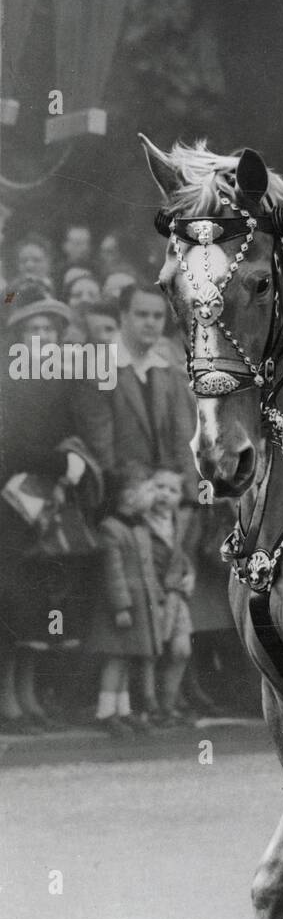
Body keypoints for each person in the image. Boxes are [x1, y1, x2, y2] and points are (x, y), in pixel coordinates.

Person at [0, 298, 100, 732]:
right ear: (20, 338)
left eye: (50, 331)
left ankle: (34, 696)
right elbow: (10, 449)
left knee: (44, 607)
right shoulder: (8, 384)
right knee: (14, 607)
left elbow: (76, 433)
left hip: (51, 505)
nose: (42, 338)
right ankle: (11, 701)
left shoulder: (63, 384)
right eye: (33, 330)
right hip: (11, 507)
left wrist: (72, 461)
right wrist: (61, 465)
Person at [74, 284, 197, 495]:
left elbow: (184, 441)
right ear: (123, 316)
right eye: (142, 314)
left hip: (173, 495)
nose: (151, 322)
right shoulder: (97, 372)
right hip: (123, 497)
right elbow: (103, 453)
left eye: (158, 316)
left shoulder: (170, 373)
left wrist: (192, 497)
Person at [87, 464, 162, 737]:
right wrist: (121, 607)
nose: (154, 496)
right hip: (124, 608)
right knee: (116, 659)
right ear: (129, 496)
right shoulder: (112, 529)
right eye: (149, 490)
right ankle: (105, 712)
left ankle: (123, 710)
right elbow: (114, 573)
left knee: (128, 658)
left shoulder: (140, 527)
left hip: (141, 605)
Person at [144, 467, 195, 726]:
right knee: (150, 652)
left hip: (176, 593)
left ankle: (168, 704)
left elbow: (179, 552)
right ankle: (151, 707)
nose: (164, 494)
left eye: (172, 490)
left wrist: (189, 573)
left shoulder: (177, 520)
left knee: (181, 650)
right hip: (152, 596)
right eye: (158, 487)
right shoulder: (141, 521)